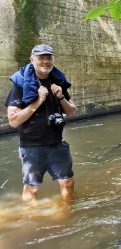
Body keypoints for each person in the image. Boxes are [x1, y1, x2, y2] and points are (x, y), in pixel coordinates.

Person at [4, 44, 76, 202]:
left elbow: (71, 112)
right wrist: (38, 101)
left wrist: (60, 97)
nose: (45, 61)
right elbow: (13, 121)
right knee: (32, 187)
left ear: (53, 60)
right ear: (32, 60)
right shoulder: (21, 83)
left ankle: (67, 215)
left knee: (68, 182)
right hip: (32, 147)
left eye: (48, 58)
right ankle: (33, 220)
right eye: (41, 58)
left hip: (57, 144)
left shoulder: (58, 81)